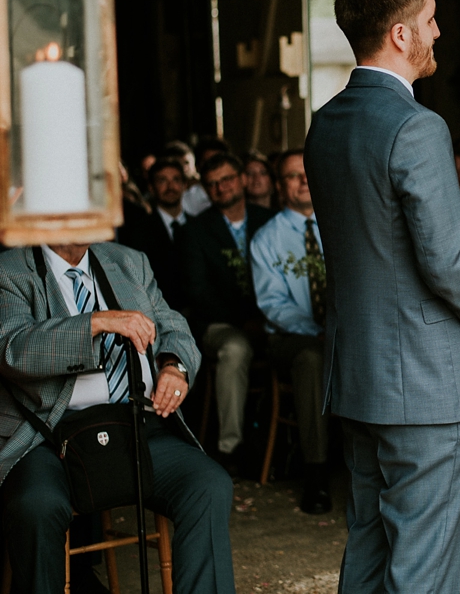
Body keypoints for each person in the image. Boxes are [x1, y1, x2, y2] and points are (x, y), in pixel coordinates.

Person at [305, 0, 460, 594]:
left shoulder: (326, 126)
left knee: (368, 554)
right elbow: (448, 261)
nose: (437, 32)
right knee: (423, 573)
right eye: (430, 19)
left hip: (360, 375)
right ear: (400, 34)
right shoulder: (416, 127)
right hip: (426, 386)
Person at [0, 241, 236, 593]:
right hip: (48, 434)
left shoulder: (129, 261)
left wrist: (175, 366)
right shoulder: (11, 269)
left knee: (208, 485)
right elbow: (13, 350)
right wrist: (94, 322)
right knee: (36, 505)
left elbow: (174, 327)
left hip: (134, 425)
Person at [179, 152, 273, 472]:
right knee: (235, 349)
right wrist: (245, 322)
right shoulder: (195, 230)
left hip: (271, 319)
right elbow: (198, 291)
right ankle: (230, 448)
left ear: (243, 179)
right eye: (212, 184)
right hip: (218, 324)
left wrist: (267, 319)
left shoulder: (268, 219)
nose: (221, 188)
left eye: (227, 179)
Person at [249, 150, 331, 514]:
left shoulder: (340, 223)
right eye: (293, 176)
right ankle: (317, 474)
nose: (303, 181)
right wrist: (318, 332)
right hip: (289, 338)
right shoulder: (267, 238)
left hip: (340, 330)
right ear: (281, 187)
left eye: (308, 172)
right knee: (313, 359)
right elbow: (273, 304)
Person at [121, 158, 191, 313]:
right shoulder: (139, 231)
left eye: (176, 180)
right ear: (151, 188)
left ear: (185, 185)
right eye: (162, 181)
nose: (170, 186)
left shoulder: (200, 225)